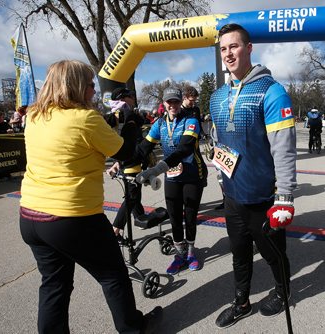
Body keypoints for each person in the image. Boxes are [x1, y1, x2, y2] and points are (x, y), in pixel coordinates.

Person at [18, 60, 162, 333]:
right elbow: (126, 153)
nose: (94, 90)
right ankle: (134, 328)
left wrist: (110, 123)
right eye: (89, 84)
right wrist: (131, 119)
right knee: (113, 276)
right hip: (71, 217)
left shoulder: (35, 116)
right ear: (75, 86)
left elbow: (72, 141)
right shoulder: (84, 118)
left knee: (54, 285)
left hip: (30, 215)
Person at [209, 23, 297, 328]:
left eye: (234, 46)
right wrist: (219, 168)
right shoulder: (217, 96)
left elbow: (283, 149)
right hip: (232, 196)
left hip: (263, 197)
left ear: (248, 48)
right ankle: (242, 302)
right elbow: (219, 141)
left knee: (273, 254)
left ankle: (283, 291)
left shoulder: (272, 92)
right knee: (239, 253)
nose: (228, 53)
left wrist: (284, 197)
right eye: (223, 48)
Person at [136, 87, 208, 275]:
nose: (173, 105)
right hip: (172, 175)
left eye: (176, 101)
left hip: (193, 173)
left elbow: (184, 149)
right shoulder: (159, 124)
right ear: (164, 103)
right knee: (174, 215)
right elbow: (144, 147)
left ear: (180, 101)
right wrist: (122, 163)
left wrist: (158, 168)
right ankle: (180, 253)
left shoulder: (191, 119)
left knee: (190, 215)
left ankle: (191, 252)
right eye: (169, 102)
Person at [106, 87, 147, 235]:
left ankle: (139, 216)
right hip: (132, 161)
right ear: (123, 98)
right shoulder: (128, 114)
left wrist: (116, 162)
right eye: (130, 95)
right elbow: (135, 134)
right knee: (132, 195)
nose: (133, 97)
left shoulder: (112, 115)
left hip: (123, 159)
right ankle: (116, 228)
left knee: (135, 192)